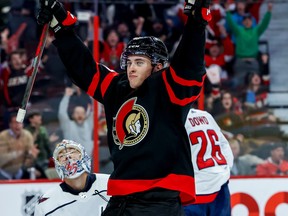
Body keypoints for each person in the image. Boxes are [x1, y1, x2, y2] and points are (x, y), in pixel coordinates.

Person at [37, 0, 210, 215]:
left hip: (158, 199)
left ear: (157, 66)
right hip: (120, 197)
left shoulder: (168, 88)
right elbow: (85, 70)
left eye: (139, 62)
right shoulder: (117, 87)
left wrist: (196, 21)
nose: (131, 69)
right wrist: (62, 29)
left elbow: (189, 64)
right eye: (129, 63)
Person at [34, 139, 110, 216]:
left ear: (84, 156)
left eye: (73, 152)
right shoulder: (46, 203)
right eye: (61, 156)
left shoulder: (109, 183)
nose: (68, 156)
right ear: (57, 165)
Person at [183, 108, 233, 216]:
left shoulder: (172, 118)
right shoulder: (205, 115)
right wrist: (224, 170)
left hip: (195, 191)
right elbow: (224, 144)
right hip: (220, 186)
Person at [0, 112, 39, 179]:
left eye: (20, 123)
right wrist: (19, 153)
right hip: (4, 170)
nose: (18, 125)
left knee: (35, 172)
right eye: (15, 123)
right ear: (10, 124)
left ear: (23, 124)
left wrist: (32, 156)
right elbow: (2, 158)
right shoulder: (3, 136)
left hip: (20, 170)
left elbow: (29, 158)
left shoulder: (27, 135)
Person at [58, 87, 93, 157]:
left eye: (82, 113)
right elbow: (62, 113)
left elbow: (96, 110)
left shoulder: (88, 124)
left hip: (87, 161)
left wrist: (92, 95)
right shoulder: (68, 125)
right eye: (77, 113)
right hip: (72, 160)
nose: (80, 115)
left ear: (85, 115)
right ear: (73, 115)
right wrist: (66, 96)